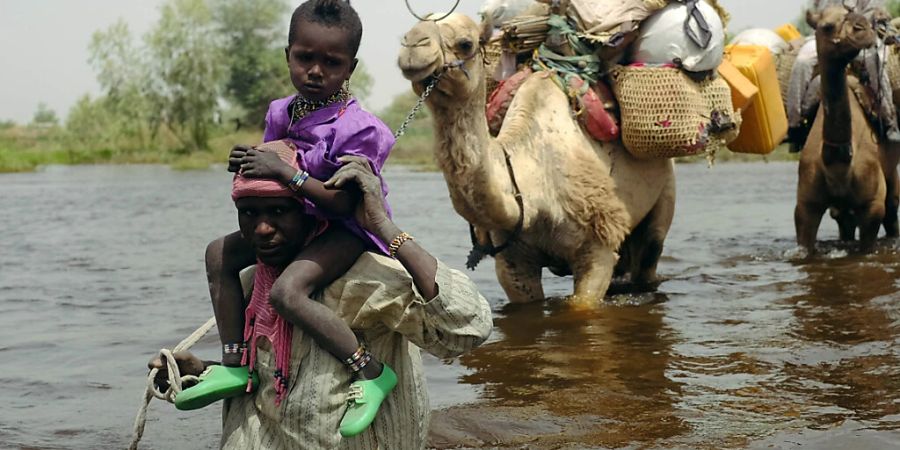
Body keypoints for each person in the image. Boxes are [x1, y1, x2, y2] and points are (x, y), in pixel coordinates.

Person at [152, 148, 493, 448]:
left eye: (279, 212)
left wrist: (383, 227)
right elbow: (266, 380)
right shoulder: (252, 285)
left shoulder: (367, 277)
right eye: (250, 213)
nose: (262, 229)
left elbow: (465, 328)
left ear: (310, 212)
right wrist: (199, 372)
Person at [201, 0, 400, 438]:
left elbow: (343, 205)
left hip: (346, 228)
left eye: (331, 62)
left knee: (289, 293)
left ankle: (369, 371)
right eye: (304, 58)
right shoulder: (281, 112)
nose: (315, 71)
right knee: (218, 254)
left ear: (350, 68)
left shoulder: (359, 129)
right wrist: (251, 162)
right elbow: (271, 178)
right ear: (287, 55)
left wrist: (285, 172)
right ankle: (235, 363)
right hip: (302, 223)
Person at [786, 0, 899, 151]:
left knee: (875, 62)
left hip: (859, 39)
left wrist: (878, 18)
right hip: (830, 38)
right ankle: (794, 124)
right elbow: (819, 17)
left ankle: (888, 120)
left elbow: (878, 14)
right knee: (802, 62)